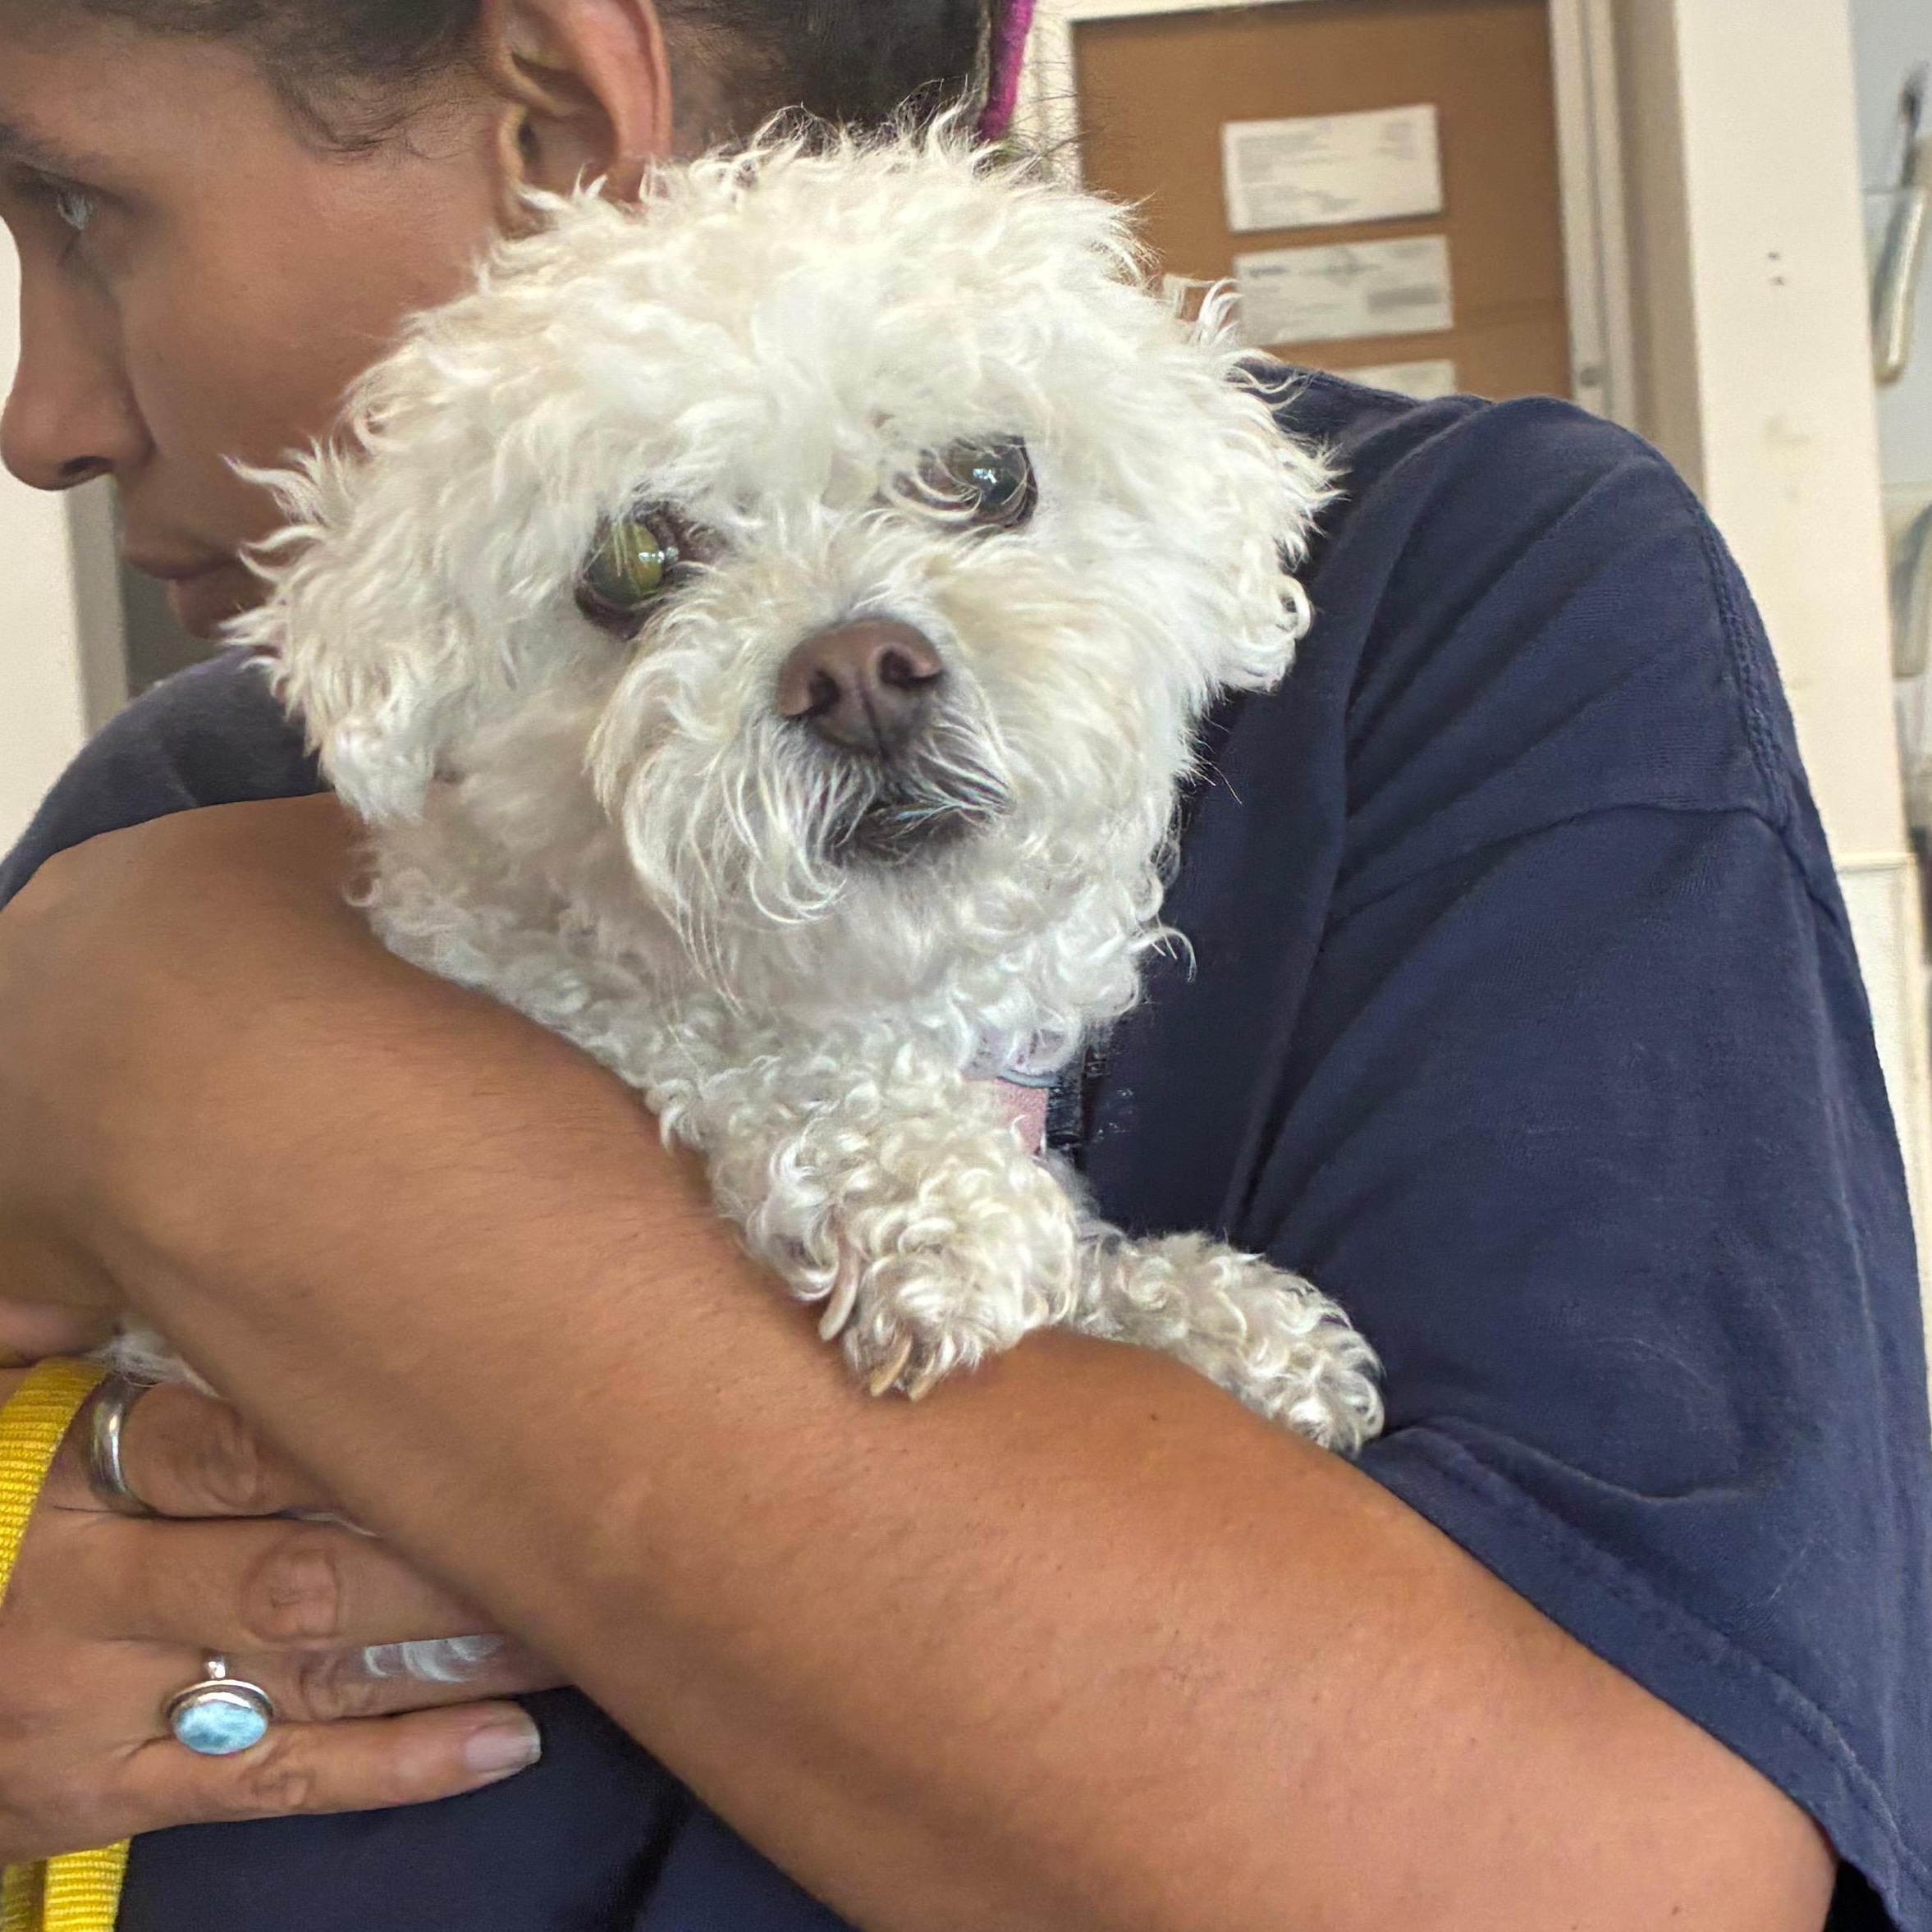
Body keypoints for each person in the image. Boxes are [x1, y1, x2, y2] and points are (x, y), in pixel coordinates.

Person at [0, 2, 1924, 1928]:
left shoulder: (1481, 610)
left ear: (557, 122)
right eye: (645, 571)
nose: (37, 420)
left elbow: (1570, 1883)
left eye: (75, 210)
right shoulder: (180, 784)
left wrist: (181, 1037)